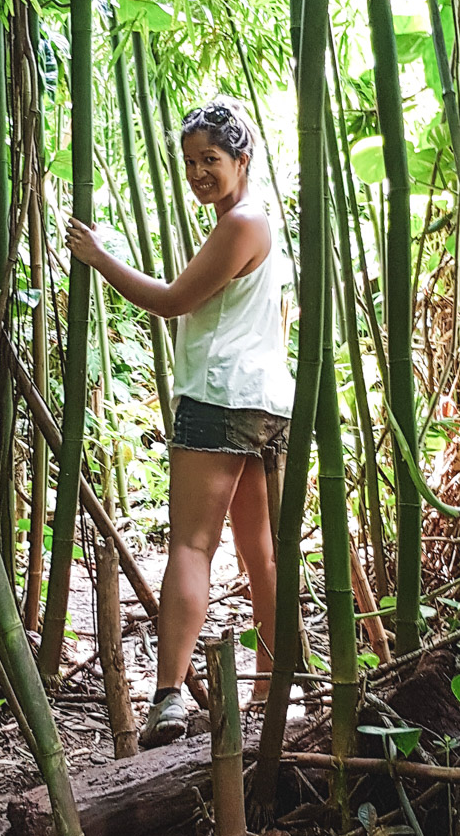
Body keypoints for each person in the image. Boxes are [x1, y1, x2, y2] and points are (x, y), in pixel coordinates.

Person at [64, 96, 293, 748]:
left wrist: (98, 256)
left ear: (242, 159)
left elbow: (170, 302)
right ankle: (273, 692)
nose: (197, 172)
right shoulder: (257, 222)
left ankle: (168, 697)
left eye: (210, 160)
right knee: (260, 554)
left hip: (219, 398)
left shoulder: (239, 224)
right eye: (190, 162)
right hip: (265, 404)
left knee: (194, 545)